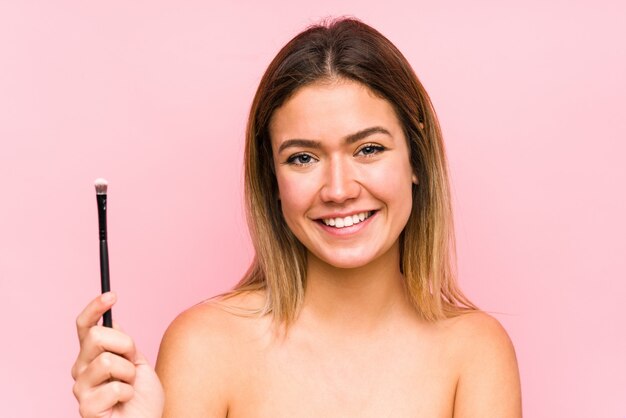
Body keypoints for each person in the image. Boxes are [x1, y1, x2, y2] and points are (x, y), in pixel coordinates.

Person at [72, 17, 522, 417]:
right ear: (273, 178)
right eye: (303, 158)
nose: (339, 190)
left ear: (416, 160)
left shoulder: (476, 352)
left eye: (369, 149)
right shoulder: (205, 348)